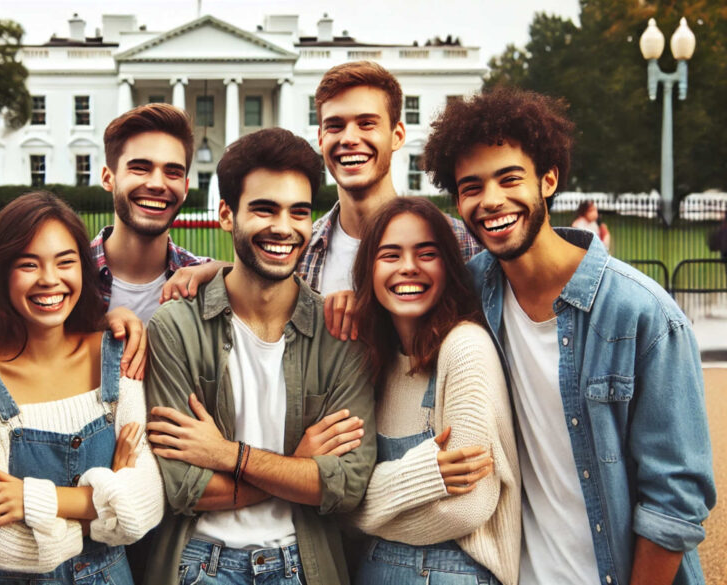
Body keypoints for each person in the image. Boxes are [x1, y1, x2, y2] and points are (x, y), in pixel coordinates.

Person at [422, 87, 716, 585]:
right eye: (471, 187)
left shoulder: (643, 315)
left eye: (509, 178)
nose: (490, 200)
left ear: (549, 180)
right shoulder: (470, 292)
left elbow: (676, 503)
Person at [144, 128, 376, 585]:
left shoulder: (340, 333)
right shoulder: (176, 327)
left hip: (303, 563)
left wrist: (225, 454)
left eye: (299, 212)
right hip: (199, 562)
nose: (283, 228)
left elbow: (346, 485)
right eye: (265, 209)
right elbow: (180, 486)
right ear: (226, 215)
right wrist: (296, 464)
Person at [0, 192, 163, 584]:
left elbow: (150, 503)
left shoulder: (117, 356)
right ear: (2, 273)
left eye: (65, 262)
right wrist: (107, 506)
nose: (50, 279)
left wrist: (33, 500)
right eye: (28, 264)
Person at [347, 197, 519, 585]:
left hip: (453, 572)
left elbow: (469, 507)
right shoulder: (370, 360)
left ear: (448, 267)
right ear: (369, 270)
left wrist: (352, 506)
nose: (409, 267)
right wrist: (423, 474)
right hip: (371, 570)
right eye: (390, 255)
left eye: (427, 253)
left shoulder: (464, 347)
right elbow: (334, 495)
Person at [301, 61, 481, 301]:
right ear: (321, 140)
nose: (349, 138)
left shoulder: (456, 241)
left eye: (366, 123)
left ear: (397, 136)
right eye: (335, 126)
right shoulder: (302, 249)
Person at [94, 103, 228, 323]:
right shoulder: (71, 276)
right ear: (109, 178)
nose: (157, 184)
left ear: (185, 189)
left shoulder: (202, 277)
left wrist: (219, 270)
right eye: (140, 168)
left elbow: (269, 286)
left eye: (172, 172)